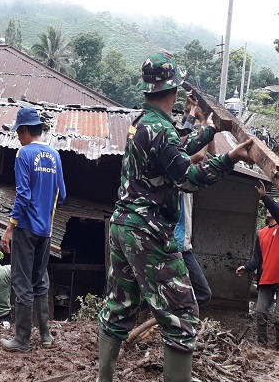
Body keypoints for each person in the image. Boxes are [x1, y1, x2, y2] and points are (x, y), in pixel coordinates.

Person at [97, 50, 255, 382]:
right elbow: (187, 178)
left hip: (123, 227)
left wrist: (209, 132)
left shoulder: (143, 124)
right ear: (174, 89)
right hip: (148, 232)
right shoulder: (160, 130)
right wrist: (229, 159)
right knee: (183, 316)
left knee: (119, 307)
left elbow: (174, 148)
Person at [0, 107, 66, 352]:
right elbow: (62, 194)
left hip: (26, 227)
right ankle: (46, 336)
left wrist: (9, 228)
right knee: (40, 278)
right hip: (45, 229)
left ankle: (23, 339)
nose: (18, 136)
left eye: (19, 131)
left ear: (26, 130)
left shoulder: (23, 154)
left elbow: (23, 195)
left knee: (21, 280)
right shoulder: (55, 155)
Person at [236, 184, 279, 349]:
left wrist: (265, 198)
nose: (269, 211)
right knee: (260, 313)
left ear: (278, 212)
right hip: (266, 279)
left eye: (272, 209)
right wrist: (245, 267)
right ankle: (262, 345)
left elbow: (277, 213)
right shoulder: (261, 234)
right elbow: (256, 259)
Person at [174, 93, 214, 309]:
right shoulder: (178, 166)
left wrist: (192, 113)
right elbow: (197, 155)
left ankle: (167, 320)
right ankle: (175, 321)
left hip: (182, 244)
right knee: (202, 293)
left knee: (194, 293)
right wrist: (205, 124)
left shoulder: (174, 155)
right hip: (178, 245)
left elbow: (185, 138)